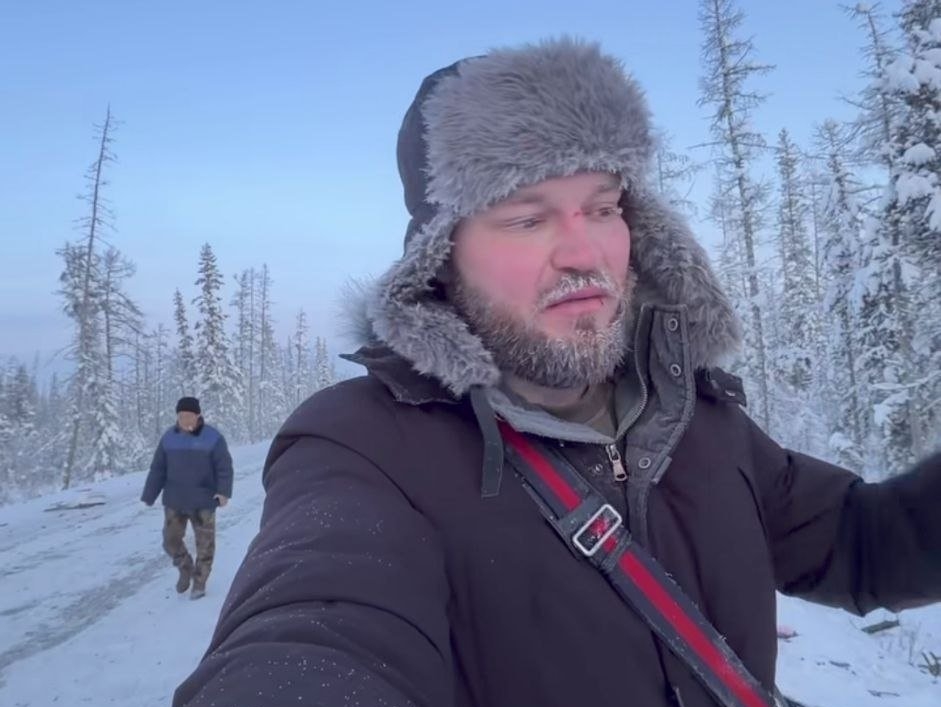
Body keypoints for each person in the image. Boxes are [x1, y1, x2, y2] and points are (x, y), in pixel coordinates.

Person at [173, 38, 941, 706]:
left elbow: (860, 538)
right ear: (440, 255)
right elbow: (313, 629)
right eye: (528, 217)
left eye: (602, 208)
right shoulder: (363, 448)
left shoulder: (694, 417)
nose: (585, 252)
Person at [142, 396, 233, 600]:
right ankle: (185, 567)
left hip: (204, 501)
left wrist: (224, 492)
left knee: (205, 545)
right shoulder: (169, 438)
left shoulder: (213, 437)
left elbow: (224, 466)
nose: (185, 420)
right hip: (175, 500)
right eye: (181, 416)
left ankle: (199, 582)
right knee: (170, 540)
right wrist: (150, 493)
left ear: (198, 415)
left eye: (189, 416)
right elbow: (158, 468)